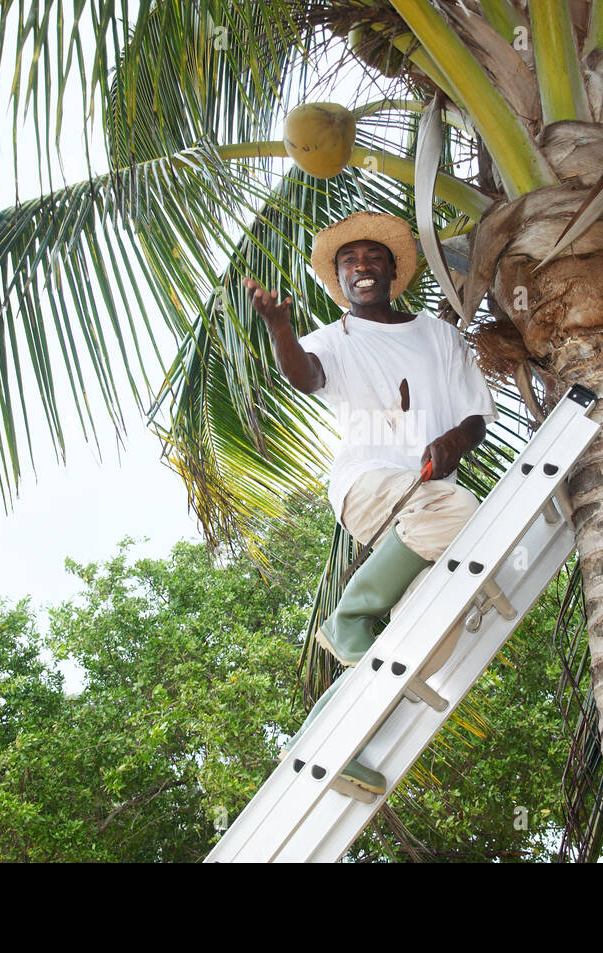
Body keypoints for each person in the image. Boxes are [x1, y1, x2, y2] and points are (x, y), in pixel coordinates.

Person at [245, 211, 497, 794]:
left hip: (424, 490)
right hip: (369, 484)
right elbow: (304, 376)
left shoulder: (437, 334)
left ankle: (329, 741)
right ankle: (350, 616)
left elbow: (475, 414)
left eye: (373, 257)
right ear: (340, 279)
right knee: (462, 513)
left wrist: (455, 440)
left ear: (391, 271)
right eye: (349, 261)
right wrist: (280, 326)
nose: (362, 266)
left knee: (430, 635)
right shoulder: (334, 338)